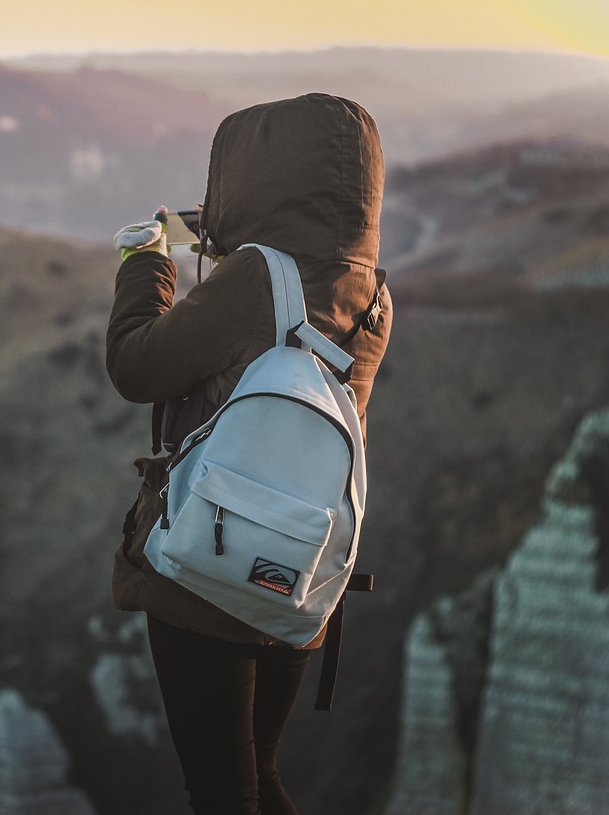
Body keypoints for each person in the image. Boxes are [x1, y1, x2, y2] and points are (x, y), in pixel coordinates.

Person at [105, 93, 393, 814]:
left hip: (208, 561)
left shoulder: (255, 278)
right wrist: (233, 252)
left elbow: (135, 367)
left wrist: (146, 262)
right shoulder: (375, 296)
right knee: (257, 776)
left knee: (221, 792)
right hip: (297, 565)